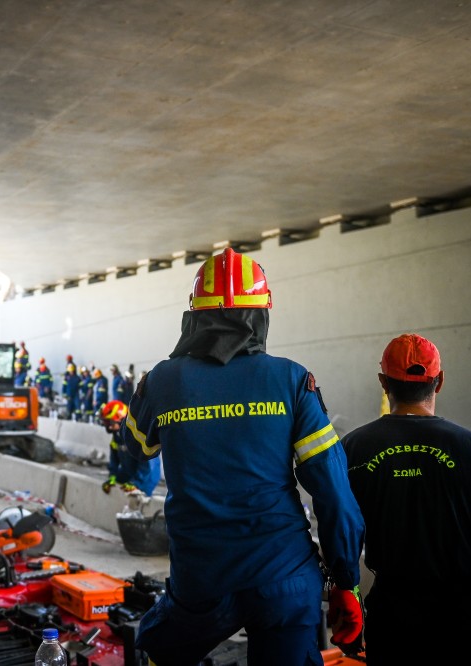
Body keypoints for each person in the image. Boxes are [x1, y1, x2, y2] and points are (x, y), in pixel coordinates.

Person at [122, 248, 364, 665]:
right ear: (260, 316)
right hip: (283, 576)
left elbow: (139, 449)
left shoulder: (162, 380)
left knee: (160, 648)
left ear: (194, 317)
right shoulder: (291, 380)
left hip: (201, 581)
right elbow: (335, 496)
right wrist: (346, 582)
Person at [342, 335, 471, 666]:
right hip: (466, 619)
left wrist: (346, 610)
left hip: (392, 620)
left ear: (383, 382)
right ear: (440, 382)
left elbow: (342, 539)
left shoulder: (351, 449)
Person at [100, 400, 160, 497]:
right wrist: (113, 477)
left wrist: (137, 484)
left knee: (138, 501)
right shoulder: (117, 435)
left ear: (120, 420)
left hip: (146, 476)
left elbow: (147, 465)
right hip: (129, 473)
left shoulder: (138, 433)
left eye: (109, 422)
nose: (109, 427)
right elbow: (114, 458)